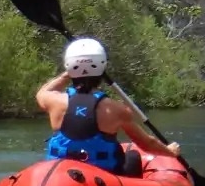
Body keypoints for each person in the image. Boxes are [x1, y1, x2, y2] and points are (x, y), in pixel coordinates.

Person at [38, 37, 179, 175]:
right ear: (102, 67)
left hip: (60, 173)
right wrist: (170, 152)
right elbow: (147, 144)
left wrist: (67, 74)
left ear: (68, 66)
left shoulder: (54, 101)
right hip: (103, 176)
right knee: (133, 156)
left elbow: (42, 92)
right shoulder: (116, 109)